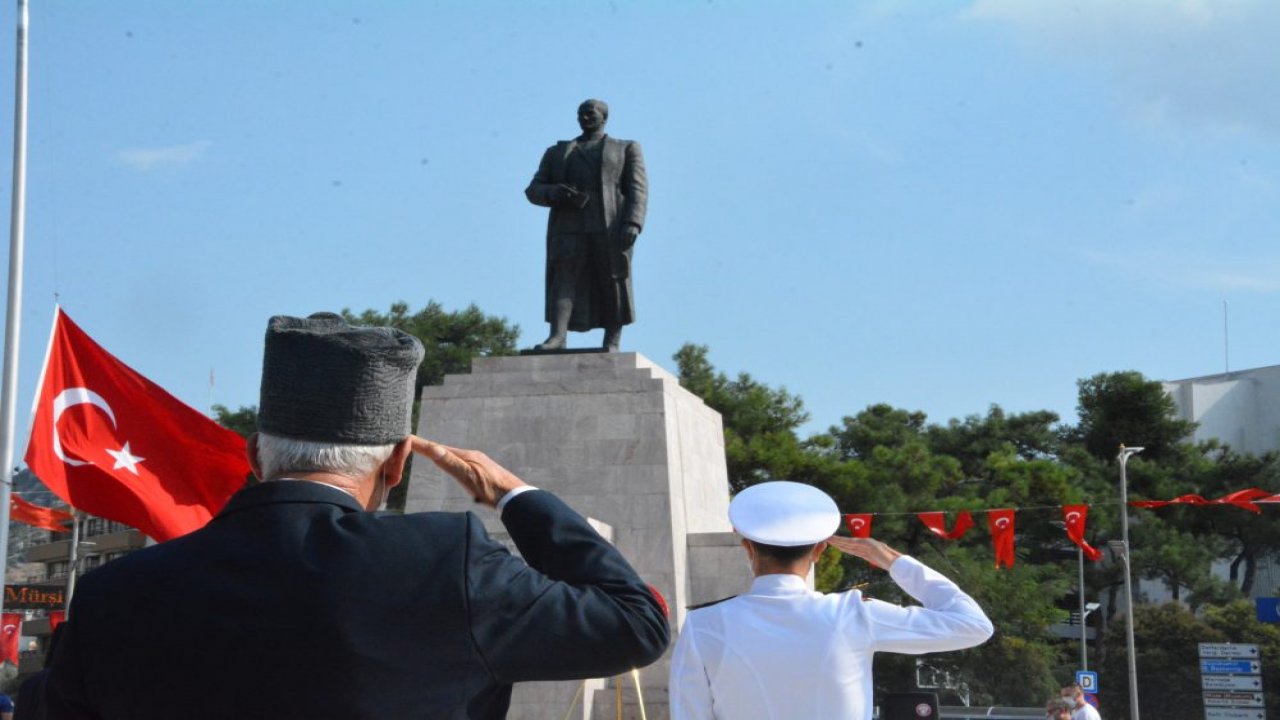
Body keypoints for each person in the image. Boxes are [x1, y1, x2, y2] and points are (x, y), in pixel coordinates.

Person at [42, 312, 669, 719]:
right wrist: (514, 494)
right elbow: (635, 622)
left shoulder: (111, 596)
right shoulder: (445, 563)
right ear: (397, 464)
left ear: (255, 452)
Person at [669, 481, 994, 719]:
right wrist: (894, 561)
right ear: (820, 551)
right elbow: (973, 625)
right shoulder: (853, 614)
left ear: (748, 548)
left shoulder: (703, 625)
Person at [525, 98, 647, 352]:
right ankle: (557, 337)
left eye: (590, 113)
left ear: (604, 117)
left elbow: (637, 189)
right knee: (563, 280)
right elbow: (533, 190)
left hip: (610, 225)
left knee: (612, 278)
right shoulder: (557, 152)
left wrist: (633, 222)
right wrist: (555, 192)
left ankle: (612, 340)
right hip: (568, 226)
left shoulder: (625, 148)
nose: (585, 117)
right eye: (581, 113)